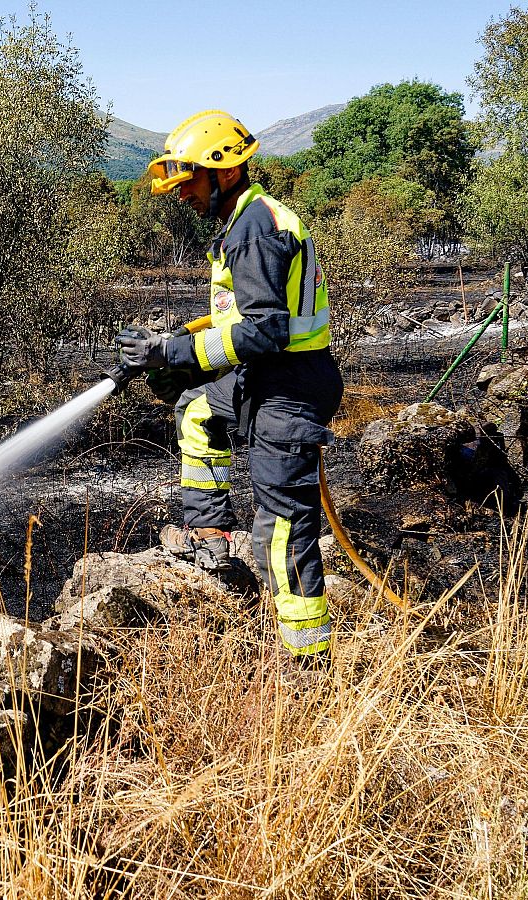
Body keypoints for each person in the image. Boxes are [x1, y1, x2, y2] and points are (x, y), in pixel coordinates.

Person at [115, 110, 343, 665]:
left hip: (288, 390)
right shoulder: (246, 220)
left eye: (187, 180)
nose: (180, 195)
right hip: (264, 379)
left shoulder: (255, 231)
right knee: (197, 413)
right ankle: (210, 537)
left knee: (283, 533)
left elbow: (264, 332)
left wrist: (172, 353)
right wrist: (168, 343)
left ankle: (308, 664)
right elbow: (238, 317)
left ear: (224, 172)